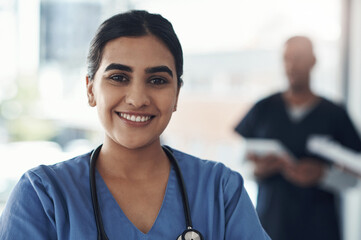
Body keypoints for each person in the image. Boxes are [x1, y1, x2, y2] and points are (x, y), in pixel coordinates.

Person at [0, 10, 270, 239]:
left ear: (176, 94)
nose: (138, 99)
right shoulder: (43, 195)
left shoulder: (220, 190)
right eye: (118, 77)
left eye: (157, 80)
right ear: (91, 89)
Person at [234, 36, 361, 240]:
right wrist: (258, 170)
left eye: (299, 57)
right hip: (269, 227)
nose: (292, 65)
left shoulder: (334, 114)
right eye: (287, 58)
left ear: (314, 61)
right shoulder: (264, 108)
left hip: (320, 228)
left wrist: (323, 174)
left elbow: (354, 178)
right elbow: (242, 166)